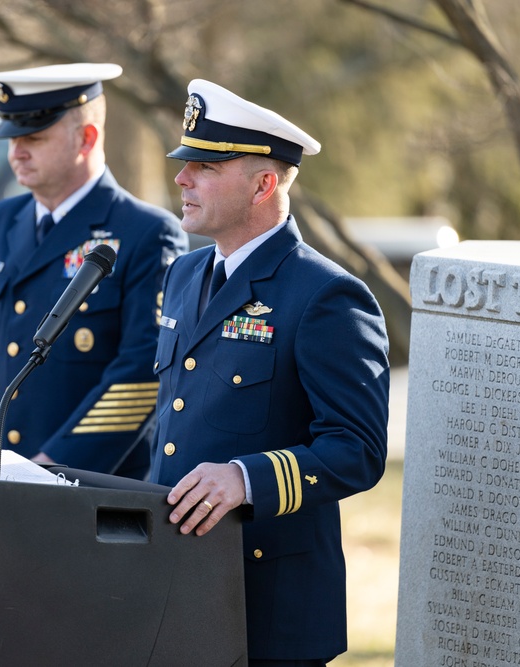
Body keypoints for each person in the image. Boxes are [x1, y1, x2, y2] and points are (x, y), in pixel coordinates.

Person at [151, 80, 391, 666]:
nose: (182, 179)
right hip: (173, 586)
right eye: (185, 165)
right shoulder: (183, 275)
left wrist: (245, 478)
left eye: (204, 166)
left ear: (263, 184)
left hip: (267, 605)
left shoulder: (326, 295)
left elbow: (357, 449)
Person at [0, 63, 187, 479]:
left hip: (92, 487)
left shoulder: (147, 233)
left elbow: (145, 369)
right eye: (11, 137)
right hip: (0, 480)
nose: (16, 151)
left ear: (86, 138)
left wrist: (56, 465)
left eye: (33, 137)